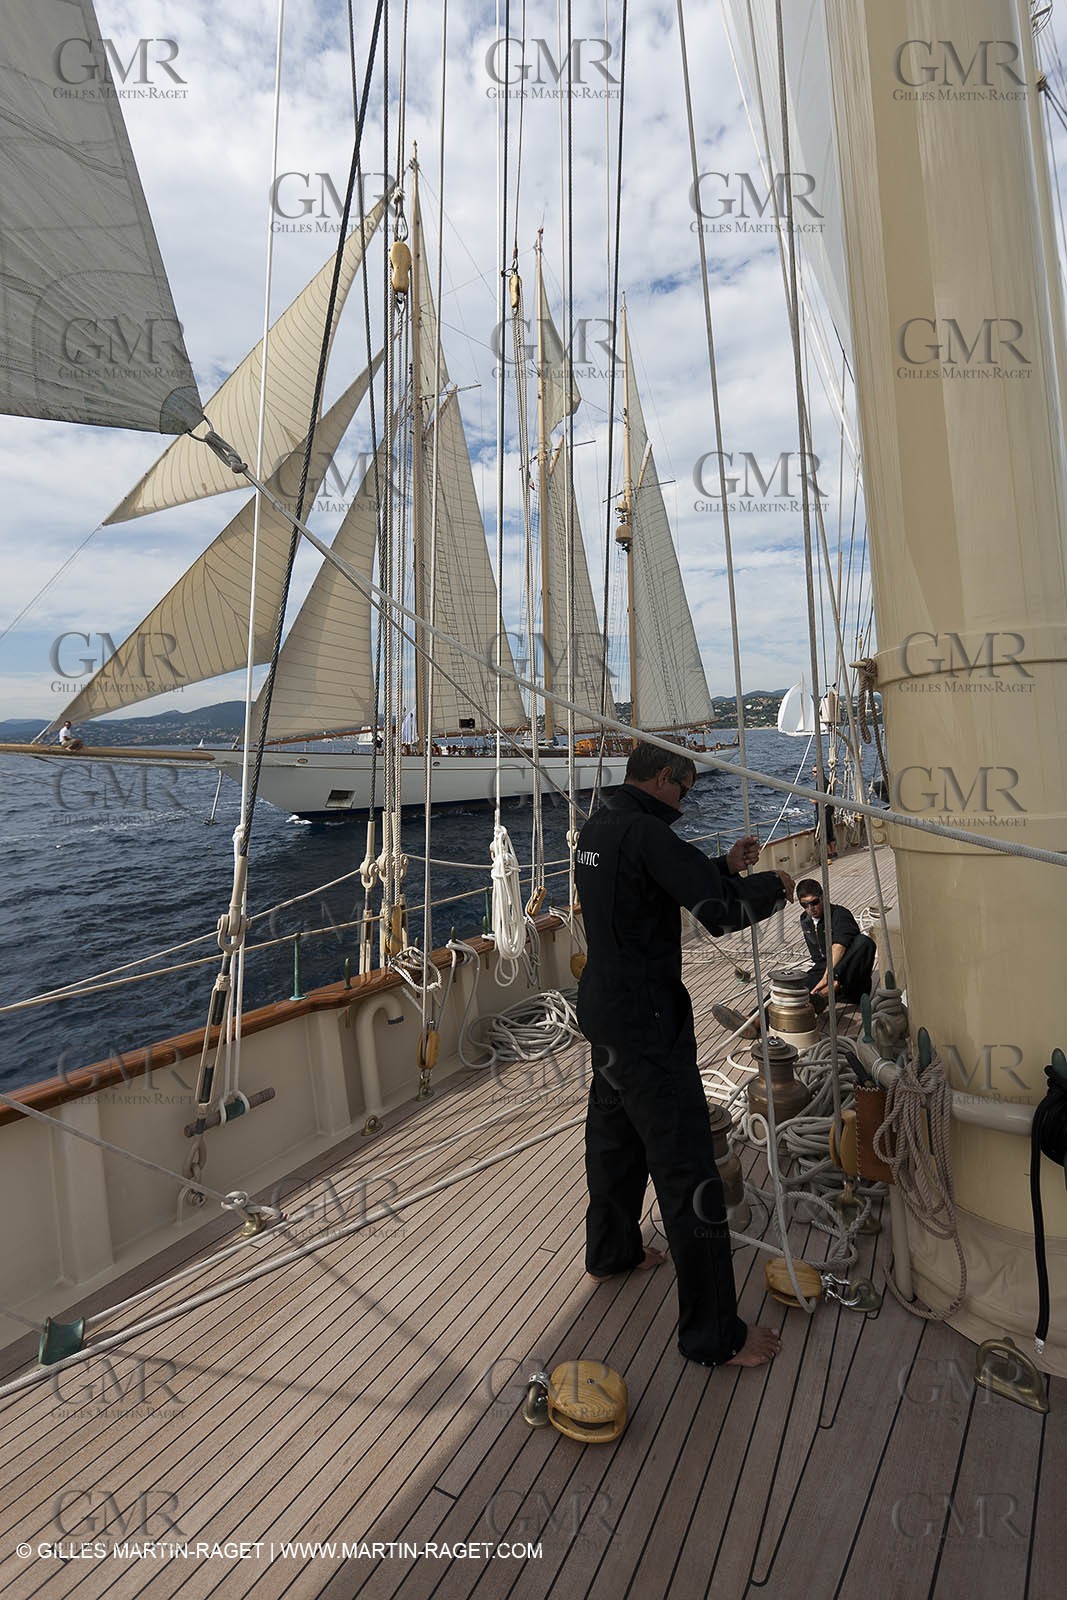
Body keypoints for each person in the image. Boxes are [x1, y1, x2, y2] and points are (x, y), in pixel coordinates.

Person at [574, 741, 795, 1370]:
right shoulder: (645, 831)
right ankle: (714, 1335)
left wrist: (723, 865)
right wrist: (770, 889)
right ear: (667, 778)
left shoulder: (601, 824)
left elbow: (658, 881)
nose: (686, 801)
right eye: (687, 790)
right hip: (648, 1027)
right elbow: (719, 913)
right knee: (688, 1170)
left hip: (605, 1012)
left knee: (614, 1142)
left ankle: (612, 1251)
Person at [795, 880, 876, 1004]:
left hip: (849, 983)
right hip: (823, 971)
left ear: (823, 897)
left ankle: (831, 988)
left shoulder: (840, 915)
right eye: (804, 905)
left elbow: (839, 946)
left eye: (814, 902)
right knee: (790, 987)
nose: (810, 908)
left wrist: (828, 977)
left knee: (864, 942)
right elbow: (818, 959)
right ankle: (756, 1018)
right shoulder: (806, 920)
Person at [812, 764, 836, 859]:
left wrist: (812, 799)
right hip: (829, 810)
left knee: (823, 831)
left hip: (824, 811)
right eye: (813, 772)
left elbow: (821, 798)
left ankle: (828, 853)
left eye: (815, 772)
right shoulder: (826, 782)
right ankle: (833, 851)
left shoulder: (821, 783)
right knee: (829, 830)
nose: (813, 774)